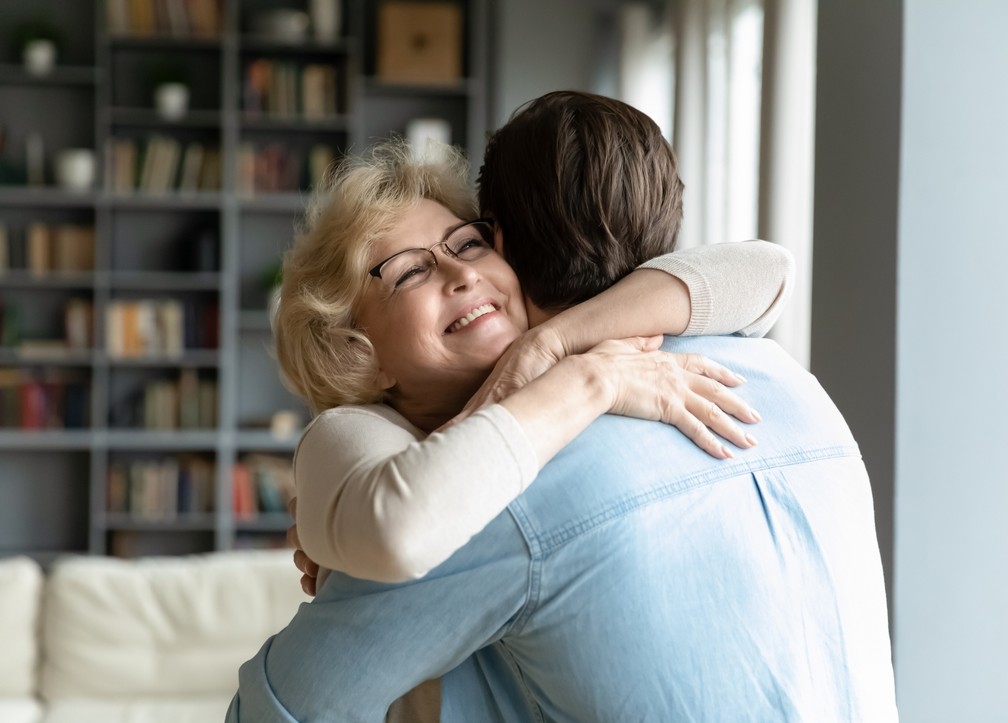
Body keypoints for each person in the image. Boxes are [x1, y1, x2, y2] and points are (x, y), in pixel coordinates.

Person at [228, 92, 896, 721]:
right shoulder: (787, 380)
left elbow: (279, 709)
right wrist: (577, 375)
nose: (462, 273)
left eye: (469, 243)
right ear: (355, 349)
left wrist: (555, 353)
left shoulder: (512, 500)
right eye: (410, 271)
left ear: (509, 253)